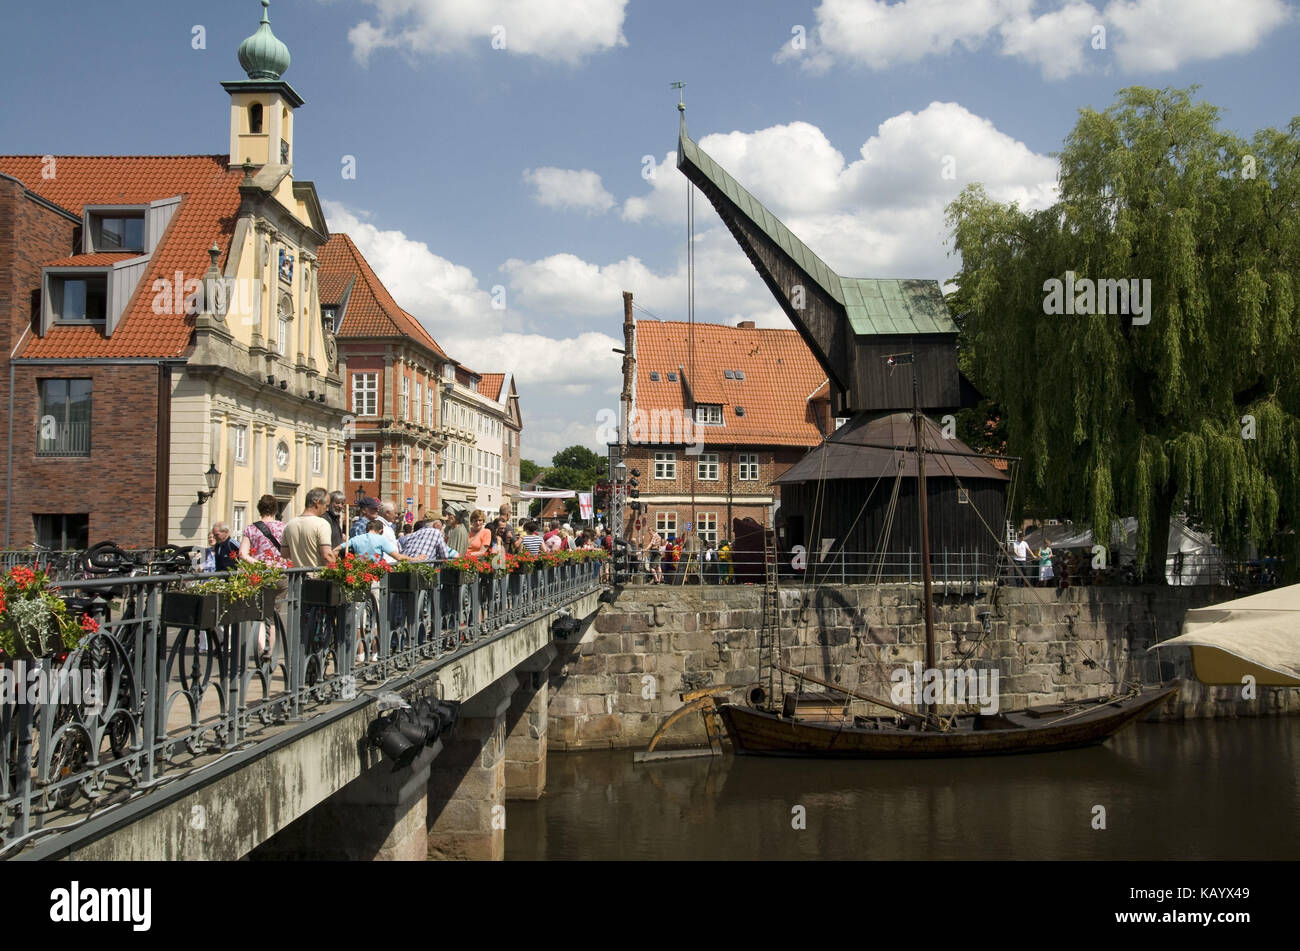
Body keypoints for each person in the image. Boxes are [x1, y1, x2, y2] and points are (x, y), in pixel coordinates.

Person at [238, 494, 288, 661]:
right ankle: (270, 651)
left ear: (259, 509)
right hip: (280, 574)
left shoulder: (251, 529)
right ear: (276, 510)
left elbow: (242, 554)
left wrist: (259, 563)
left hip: (258, 575)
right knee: (273, 616)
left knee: (258, 615)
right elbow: (288, 554)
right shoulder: (284, 528)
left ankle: (261, 650)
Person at [283, 488, 337, 568]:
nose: (327, 509)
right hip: (315, 576)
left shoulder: (290, 524)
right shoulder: (321, 524)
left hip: (296, 577)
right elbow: (327, 556)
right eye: (326, 505)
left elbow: (284, 554)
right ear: (318, 503)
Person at [339, 519, 411, 563]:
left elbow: (338, 548)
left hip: (358, 573)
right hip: (374, 574)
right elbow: (397, 557)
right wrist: (414, 559)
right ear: (381, 531)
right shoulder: (381, 539)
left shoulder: (356, 538)